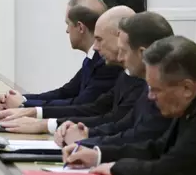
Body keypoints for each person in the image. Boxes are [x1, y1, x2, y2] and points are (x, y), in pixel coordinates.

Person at [63, 36, 196, 175]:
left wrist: (114, 168)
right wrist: (98, 155)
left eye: (156, 89)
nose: (150, 96)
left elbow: (168, 172)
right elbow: (158, 148)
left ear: (186, 88)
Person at [0, 6, 145, 134]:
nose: (96, 47)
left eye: (99, 39)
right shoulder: (126, 75)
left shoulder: (128, 75)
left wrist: (41, 121)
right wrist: (30, 108)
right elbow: (91, 105)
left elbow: (113, 121)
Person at [56, 12, 174, 147]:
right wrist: (87, 134)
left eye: (124, 51)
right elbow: (123, 125)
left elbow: (139, 137)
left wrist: (88, 143)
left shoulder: (166, 91)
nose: (120, 58)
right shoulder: (145, 85)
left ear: (143, 53)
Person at [0, 0, 120, 108]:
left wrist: (25, 104)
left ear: (80, 27)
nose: (67, 30)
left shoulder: (106, 63)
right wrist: (20, 99)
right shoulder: (92, 59)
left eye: (68, 24)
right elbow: (65, 92)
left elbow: (81, 104)